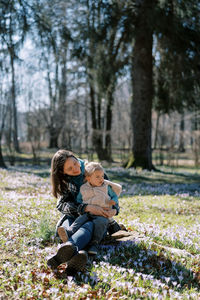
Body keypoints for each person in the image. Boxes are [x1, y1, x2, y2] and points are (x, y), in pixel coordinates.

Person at [47, 150, 121, 273]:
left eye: (75, 163)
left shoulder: (94, 170)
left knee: (89, 226)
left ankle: (68, 250)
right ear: (62, 172)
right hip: (73, 217)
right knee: (73, 229)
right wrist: (85, 207)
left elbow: (112, 197)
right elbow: (61, 205)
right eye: (70, 169)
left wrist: (114, 210)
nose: (76, 169)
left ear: (77, 158)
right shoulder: (65, 181)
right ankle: (81, 255)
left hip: (95, 218)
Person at [57, 162, 122, 255]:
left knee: (100, 224)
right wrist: (84, 206)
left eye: (102, 176)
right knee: (80, 220)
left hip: (102, 213)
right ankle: (69, 232)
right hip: (87, 213)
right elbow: (78, 199)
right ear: (88, 178)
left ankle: (94, 244)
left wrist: (114, 205)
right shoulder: (84, 188)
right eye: (98, 177)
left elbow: (114, 196)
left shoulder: (106, 186)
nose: (101, 179)